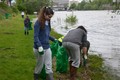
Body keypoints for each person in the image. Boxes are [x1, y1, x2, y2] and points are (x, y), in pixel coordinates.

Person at [33, 7, 56, 80]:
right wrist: (39, 46)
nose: (50, 18)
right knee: (40, 65)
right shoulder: (38, 23)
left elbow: (47, 35)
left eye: (51, 17)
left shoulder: (48, 22)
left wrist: (54, 39)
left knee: (49, 65)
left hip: (47, 47)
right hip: (39, 48)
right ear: (44, 14)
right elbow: (35, 36)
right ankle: (36, 77)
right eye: (49, 16)